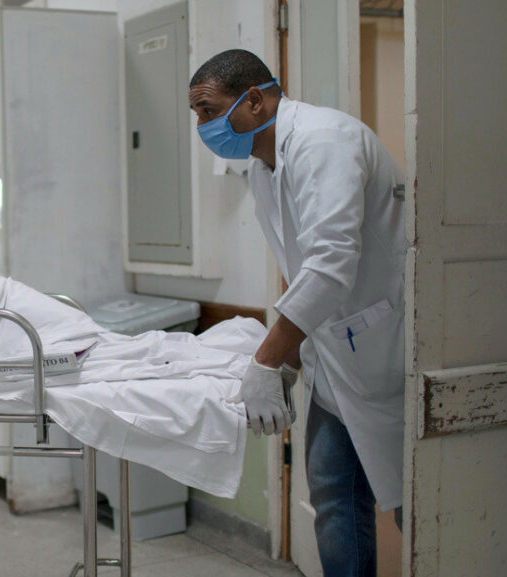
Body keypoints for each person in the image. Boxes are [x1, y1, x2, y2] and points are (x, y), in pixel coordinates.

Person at [188, 49, 406, 576]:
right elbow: (300, 264)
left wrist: (267, 360)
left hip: (388, 352)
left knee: (414, 503)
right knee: (334, 496)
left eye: (209, 111)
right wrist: (291, 358)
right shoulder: (266, 167)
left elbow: (331, 264)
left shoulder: (323, 141)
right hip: (336, 355)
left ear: (255, 100)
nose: (203, 127)